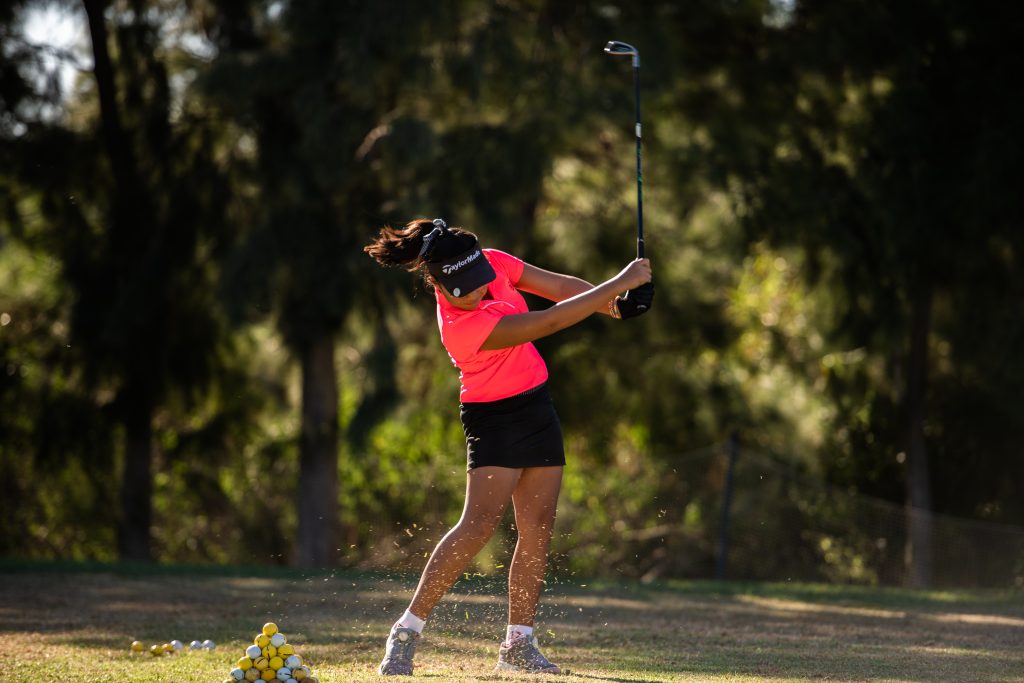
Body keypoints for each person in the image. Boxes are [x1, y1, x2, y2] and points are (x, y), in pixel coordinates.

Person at [364, 218, 653, 676]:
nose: (477, 291)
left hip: (536, 406)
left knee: (538, 527)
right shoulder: (459, 327)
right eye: (464, 289)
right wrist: (620, 282)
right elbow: (550, 320)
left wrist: (615, 306)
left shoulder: (491, 262)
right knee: (478, 525)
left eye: (479, 279)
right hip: (493, 418)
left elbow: (560, 289)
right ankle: (406, 630)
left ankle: (519, 643)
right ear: (437, 283)